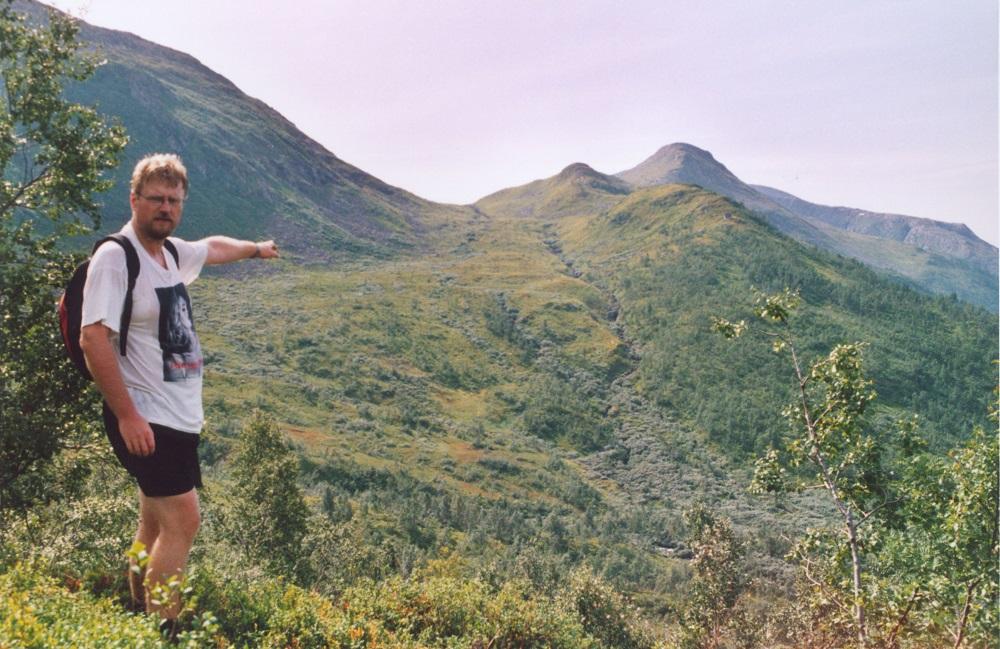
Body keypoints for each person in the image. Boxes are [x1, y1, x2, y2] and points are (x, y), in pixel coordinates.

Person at [79, 153, 279, 623]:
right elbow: (93, 339)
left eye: (173, 200)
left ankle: (132, 612)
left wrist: (255, 248)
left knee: (154, 521)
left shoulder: (169, 253)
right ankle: (164, 630)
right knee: (184, 522)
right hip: (147, 417)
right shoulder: (116, 257)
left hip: (177, 415)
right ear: (134, 200)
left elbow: (211, 247)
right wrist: (128, 415)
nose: (165, 207)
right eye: (155, 199)